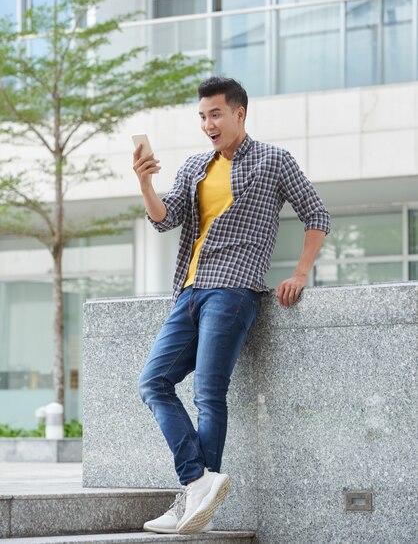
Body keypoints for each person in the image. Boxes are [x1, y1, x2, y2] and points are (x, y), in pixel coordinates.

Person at [133, 77, 330, 535]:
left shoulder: (274, 160)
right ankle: (198, 482)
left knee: (207, 392)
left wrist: (300, 272)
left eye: (215, 114)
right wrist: (145, 183)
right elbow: (167, 219)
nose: (208, 124)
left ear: (239, 112)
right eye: (202, 116)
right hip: (189, 289)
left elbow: (316, 214)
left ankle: (193, 498)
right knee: (153, 382)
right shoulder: (196, 165)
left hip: (235, 289)